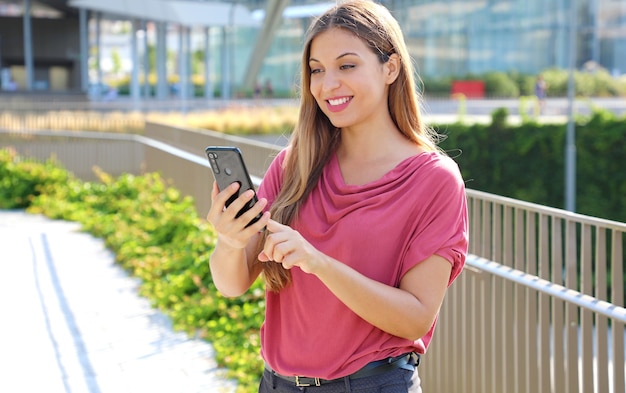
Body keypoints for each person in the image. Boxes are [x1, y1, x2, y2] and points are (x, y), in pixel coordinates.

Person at [207, 1, 468, 392]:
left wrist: (316, 261)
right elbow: (231, 284)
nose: (328, 85)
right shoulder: (293, 166)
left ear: (390, 68)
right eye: (317, 70)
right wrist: (229, 242)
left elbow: (416, 318)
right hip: (276, 383)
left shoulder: (434, 180)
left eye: (347, 66)